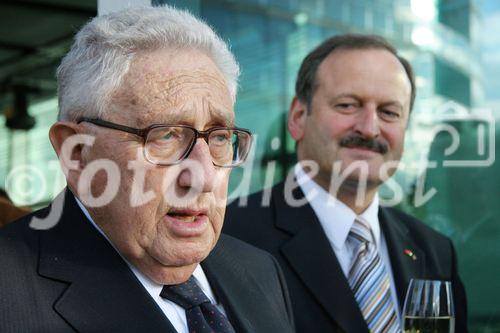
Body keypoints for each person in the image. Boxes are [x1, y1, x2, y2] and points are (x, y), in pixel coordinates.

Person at [0, 6, 294, 333]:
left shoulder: (260, 270)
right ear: (78, 154)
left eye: (219, 136)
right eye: (165, 135)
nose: (204, 176)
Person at [224, 34, 468, 333]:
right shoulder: (230, 237)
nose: (369, 128)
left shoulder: (434, 251)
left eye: (389, 112)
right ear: (298, 117)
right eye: (348, 105)